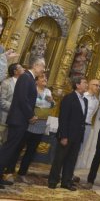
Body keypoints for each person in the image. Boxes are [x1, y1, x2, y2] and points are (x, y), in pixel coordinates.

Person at [0, 57, 45, 189]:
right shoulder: (26, 77)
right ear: (36, 65)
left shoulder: (29, 78)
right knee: (8, 148)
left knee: (11, 148)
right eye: (42, 67)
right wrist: (30, 115)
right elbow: (22, 99)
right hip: (18, 120)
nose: (43, 70)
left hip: (20, 120)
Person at [5, 74, 55, 184]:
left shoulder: (48, 91)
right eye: (42, 78)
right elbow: (28, 103)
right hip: (29, 123)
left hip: (41, 125)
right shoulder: (33, 90)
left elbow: (52, 105)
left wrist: (51, 101)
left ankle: (22, 173)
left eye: (46, 78)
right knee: (18, 148)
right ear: (36, 81)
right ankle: (9, 171)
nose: (45, 80)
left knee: (31, 151)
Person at [48, 77, 88, 191]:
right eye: (85, 82)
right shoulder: (68, 98)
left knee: (71, 160)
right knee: (59, 159)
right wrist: (63, 135)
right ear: (77, 85)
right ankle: (52, 181)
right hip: (67, 135)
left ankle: (66, 182)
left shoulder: (85, 100)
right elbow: (63, 118)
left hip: (77, 136)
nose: (86, 84)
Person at [74, 78, 100, 170]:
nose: (98, 87)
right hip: (77, 125)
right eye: (95, 85)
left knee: (80, 150)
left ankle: (71, 173)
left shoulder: (96, 101)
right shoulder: (82, 96)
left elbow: (92, 114)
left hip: (87, 126)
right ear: (89, 85)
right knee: (72, 148)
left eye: (99, 86)